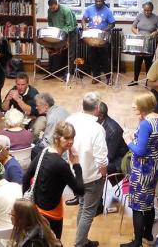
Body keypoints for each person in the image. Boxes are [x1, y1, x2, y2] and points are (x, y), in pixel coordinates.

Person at [23, 121, 84, 239]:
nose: (70, 141)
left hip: (36, 210)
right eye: (66, 138)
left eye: (72, 138)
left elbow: (26, 178)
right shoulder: (61, 165)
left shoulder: (43, 152)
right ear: (57, 138)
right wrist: (76, 164)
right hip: (52, 214)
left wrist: (28, 204)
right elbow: (80, 190)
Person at [120, 92, 158, 247]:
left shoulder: (145, 124)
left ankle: (137, 242)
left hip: (142, 170)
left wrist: (129, 141)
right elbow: (150, 142)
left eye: (136, 103)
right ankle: (148, 234)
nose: (133, 106)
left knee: (137, 207)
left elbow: (139, 151)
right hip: (154, 166)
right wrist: (137, 137)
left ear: (143, 107)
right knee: (149, 202)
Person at [65, 92, 108, 247]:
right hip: (91, 177)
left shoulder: (70, 120)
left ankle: (82, 239)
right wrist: (103, 175)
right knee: (88, 211)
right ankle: (80, 243)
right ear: (97, 108)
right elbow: (101, 158)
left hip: (74, 174)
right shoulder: (97, 129)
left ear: (82, 105)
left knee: (83, 207)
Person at [81, 0, 115, 84]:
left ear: (104, 1)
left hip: (102, 37)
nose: (98, 3)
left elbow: (112, 24)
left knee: (104, 59)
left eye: (100, 1)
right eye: (97, 1)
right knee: (92, 58)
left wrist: (104, 30)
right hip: (92, 37)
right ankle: (96, 77)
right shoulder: (89, 9)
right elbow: (83, 19)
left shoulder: (108, 11)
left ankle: (109, 78)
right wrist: (84, 27)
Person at [128, 2, 158, 86]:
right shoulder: (140, 16)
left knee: (148, 62)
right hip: (140, 42)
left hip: (151, 42)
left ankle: (148, 81)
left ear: (152, 10)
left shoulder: (156, 18)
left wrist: (156, 32)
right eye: (145, 10)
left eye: (149, 10)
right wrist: (137, 33)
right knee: (137, 61)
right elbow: (133, 27)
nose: (147, 12)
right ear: (143, 10)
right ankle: (135, 80)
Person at [47, 0, 77, 78]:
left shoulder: (65, 10)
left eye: (53, 8)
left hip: (71, 32)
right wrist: (53, 29)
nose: (52, 10)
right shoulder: (49, 10)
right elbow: (49, 21)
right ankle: (54, 72)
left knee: (70, 54)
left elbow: (70, 26)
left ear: (57, 4)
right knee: (56, 51)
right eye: (51, 8)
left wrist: (62, 31)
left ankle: (68, 73)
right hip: (58, 33)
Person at [32, 93, 69, 157]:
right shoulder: (60, 108)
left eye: (38, 105)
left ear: (46, 105)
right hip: (65, 145)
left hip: (60, 152)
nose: (36, 107)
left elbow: (48, 142)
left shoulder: (52, 118)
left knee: (33, 150)